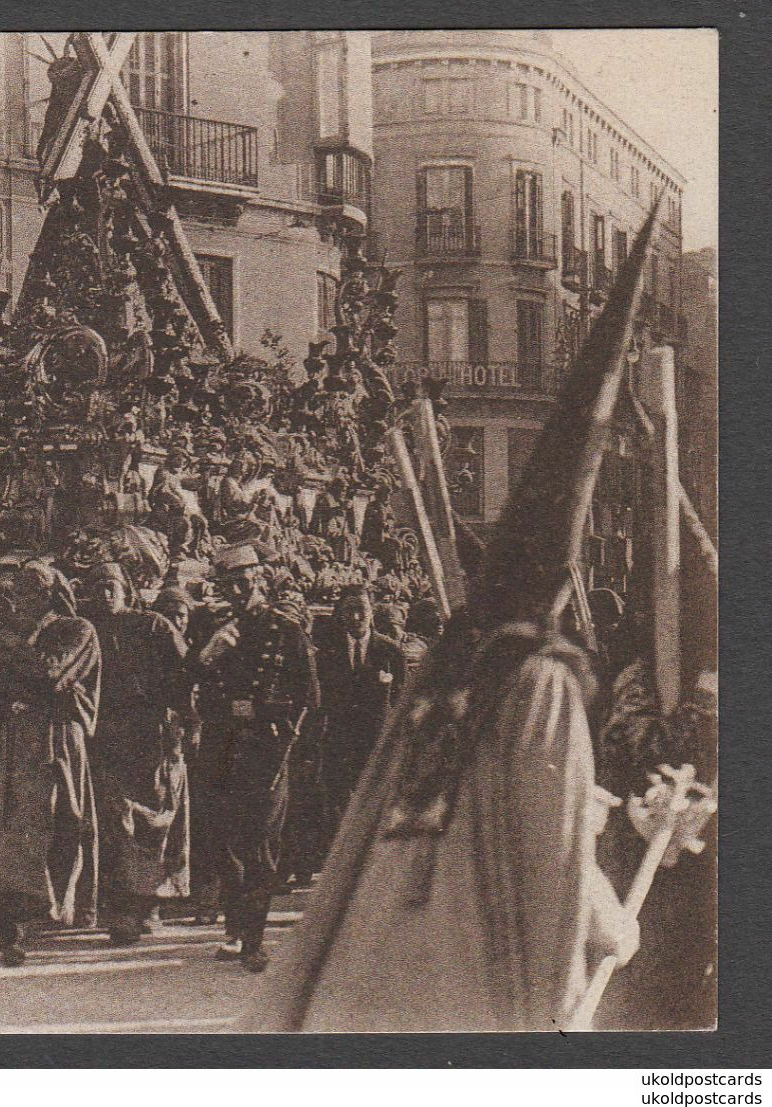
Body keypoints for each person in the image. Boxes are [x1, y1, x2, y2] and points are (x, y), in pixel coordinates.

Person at [250, 208, 660, 1032]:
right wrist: (614, 923)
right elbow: (548, 852)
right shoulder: (538, 680)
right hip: (461, 991)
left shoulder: (450, 662)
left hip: (361, 974)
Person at [191, 537, 319, 972]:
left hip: (266, 750)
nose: (240, 590)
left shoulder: (285, 630)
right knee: (223, 844)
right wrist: (208, 655)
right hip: (220, 750)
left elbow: (308, 696)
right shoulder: (212, 630)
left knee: (259, 846)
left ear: (260, 579)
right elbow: (183, 689)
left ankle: (254, 940)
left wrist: (284, 742)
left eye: (246, 581)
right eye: (232, 584)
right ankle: (236, 926)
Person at [0, 560, 101, 966]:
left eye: (30, 591)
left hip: (54, 737)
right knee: (15, 820)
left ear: (50, 593)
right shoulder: (14, 635)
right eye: (17, 592)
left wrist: (12, 646)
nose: (20, 600)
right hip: (14, 738)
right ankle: (19, 918)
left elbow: (51, 674)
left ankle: (55, 908)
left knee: (57, 816)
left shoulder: (75, 629)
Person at [83, 563, 192, 945]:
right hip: (107, 739)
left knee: (153, 822)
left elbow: (186, 676)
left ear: (125, 590)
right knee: (115, 823)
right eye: (97, 587)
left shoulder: (153, 626)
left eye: (110, 586)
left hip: (152, 738)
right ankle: (122, 910)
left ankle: (148, 904)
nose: (104, 594)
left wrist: (184, 724)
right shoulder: (86, 628)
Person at [314, 585, 406, 850]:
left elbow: (400, 700)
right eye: (349, 611)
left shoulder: (391, 652)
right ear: (340, 614)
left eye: (361, 610)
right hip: (338, 738)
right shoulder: (327, 652)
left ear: (372, 612)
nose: (355, 617)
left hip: (375, 739)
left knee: (375, 797)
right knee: (337, 797)